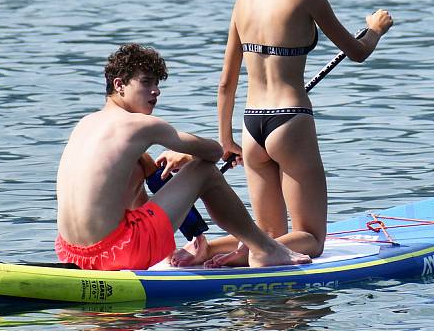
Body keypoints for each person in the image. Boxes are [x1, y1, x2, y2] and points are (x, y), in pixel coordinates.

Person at [212, 0, 394, 267]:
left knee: (268, 235)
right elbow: (357, 52)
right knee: (311, 239)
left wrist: (226, 141)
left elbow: (225, 83)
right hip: (290, 121)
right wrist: (375, 28)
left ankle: (210, 249)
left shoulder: (242, 2)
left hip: (251, 127)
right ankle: (234, 256)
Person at [55, 43, 311, 271]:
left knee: (138, 168)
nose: (155, 91)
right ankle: (265, 249)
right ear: (119, 85)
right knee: (205, 171)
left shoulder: (85, 124)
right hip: (121, 252)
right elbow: (212, 153)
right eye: (146, 82)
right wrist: (186, 155)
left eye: (157, 84)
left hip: (71, 254)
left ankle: (190, 245)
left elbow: (127, 199)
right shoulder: (141, 125)